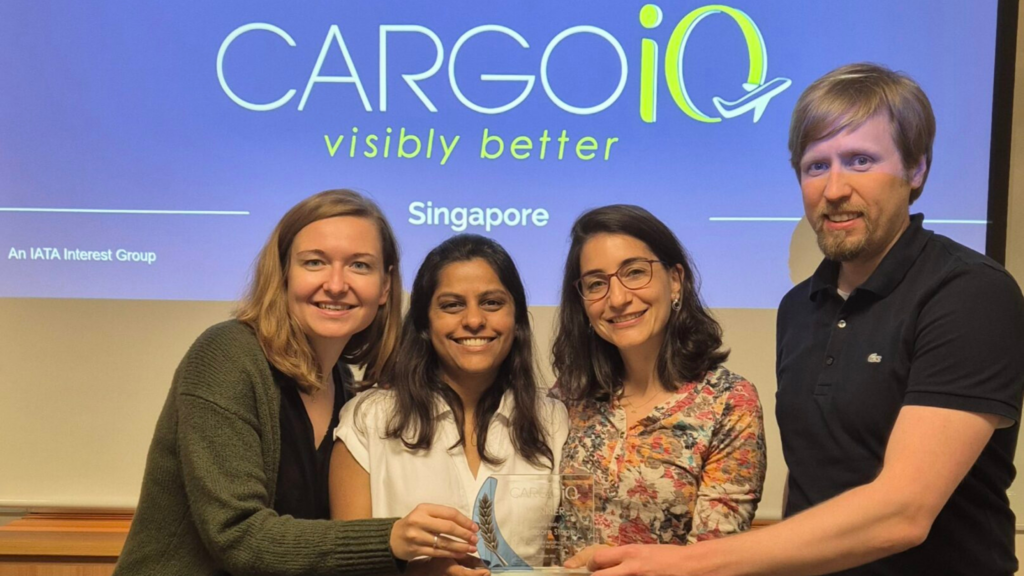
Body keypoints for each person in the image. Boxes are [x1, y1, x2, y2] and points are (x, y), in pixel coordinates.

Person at [585, 64, 1024, 576]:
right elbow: (811, 479)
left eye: (860, 160)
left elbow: (903, 513)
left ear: (916, 169)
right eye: (816, 166)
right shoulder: (800, 307)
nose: (834, 189)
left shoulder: (970, 293)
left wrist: (691, 563)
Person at [114, 190, 479, 576]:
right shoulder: (226, 355)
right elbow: (237, 536)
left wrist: (418, 568)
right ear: (284, 273)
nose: (336, 284)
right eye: (315, 262)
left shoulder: (344, 385)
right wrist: (390, 539)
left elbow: (317, 550)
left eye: (359, 265)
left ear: (385, 287)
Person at [330, 234, 569, 576]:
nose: (473, 320)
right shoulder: (368, 420)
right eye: (452, 305)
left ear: (516, 319)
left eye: (492, 303)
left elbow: (567, 555)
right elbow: (346, 566)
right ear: (425, 323)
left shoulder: (553, 420)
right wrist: (417, 572)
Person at [550, 204, 766, 568]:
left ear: (676, 280)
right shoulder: (569, 396)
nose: (617, 299)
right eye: (596, 284)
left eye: (635, 272)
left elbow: (713, 560)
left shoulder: (729, 402)